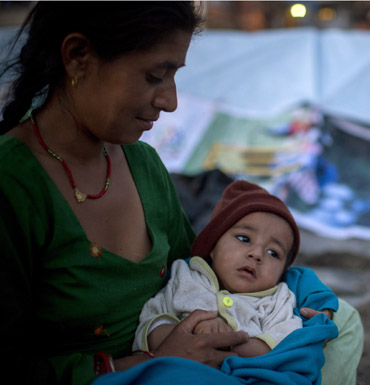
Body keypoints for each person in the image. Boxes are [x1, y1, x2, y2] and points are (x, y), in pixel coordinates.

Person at [0, 2, 363, 385]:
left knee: (344, 321)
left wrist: (303, 294)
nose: (170, 101)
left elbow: (203, 271)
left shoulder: (143, 165)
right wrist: (149, 361)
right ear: (78, 57)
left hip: (193, 359)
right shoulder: (13, 184)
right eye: (155, 76)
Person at [132, 180, 338, 379]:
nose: (257, 254)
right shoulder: (186, 276)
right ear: (213, 245)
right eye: (244, 239)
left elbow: (282, 342)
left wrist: (231, 345)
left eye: (273, 253)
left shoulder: (278, 299)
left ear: (283, 271)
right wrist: (188, 333)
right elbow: (152, 321)